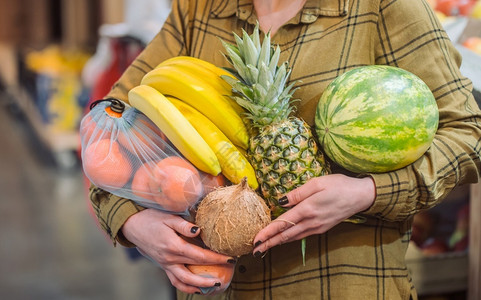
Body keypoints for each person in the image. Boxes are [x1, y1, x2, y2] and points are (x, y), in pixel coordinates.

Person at [88, 0, 481, 299]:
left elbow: (469, 131)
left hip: (340, 284)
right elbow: (107, 125)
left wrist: (367, 193)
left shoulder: (384, 7)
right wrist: (131, 222)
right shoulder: (200, 8)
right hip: (215, 284)